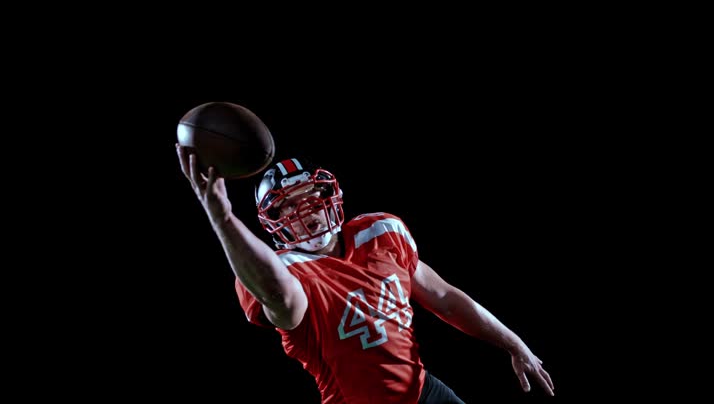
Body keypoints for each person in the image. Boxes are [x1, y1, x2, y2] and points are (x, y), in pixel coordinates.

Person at [176, 146, 555, 403]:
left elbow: (444, 298)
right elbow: (279, 295)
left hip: (422, 391)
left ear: (330, 194)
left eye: (310, 196)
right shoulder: (286, 272)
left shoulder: (381, 231)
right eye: (289, 205)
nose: (305, 210)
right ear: (272, 223)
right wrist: (222, 217)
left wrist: (513, 342)